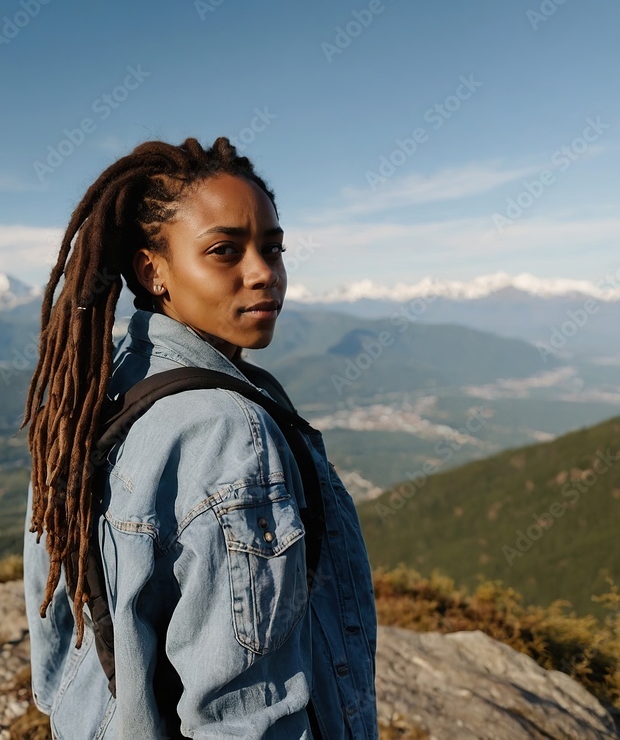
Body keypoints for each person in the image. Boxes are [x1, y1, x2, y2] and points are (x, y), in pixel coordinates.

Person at [20, 136, 378, 739]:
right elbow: (243, 719)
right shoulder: (229, 431)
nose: (263, 274)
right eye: (224, 251)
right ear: (151, 269)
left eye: (273, 248)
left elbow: (55, 639)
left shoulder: (89, 395)